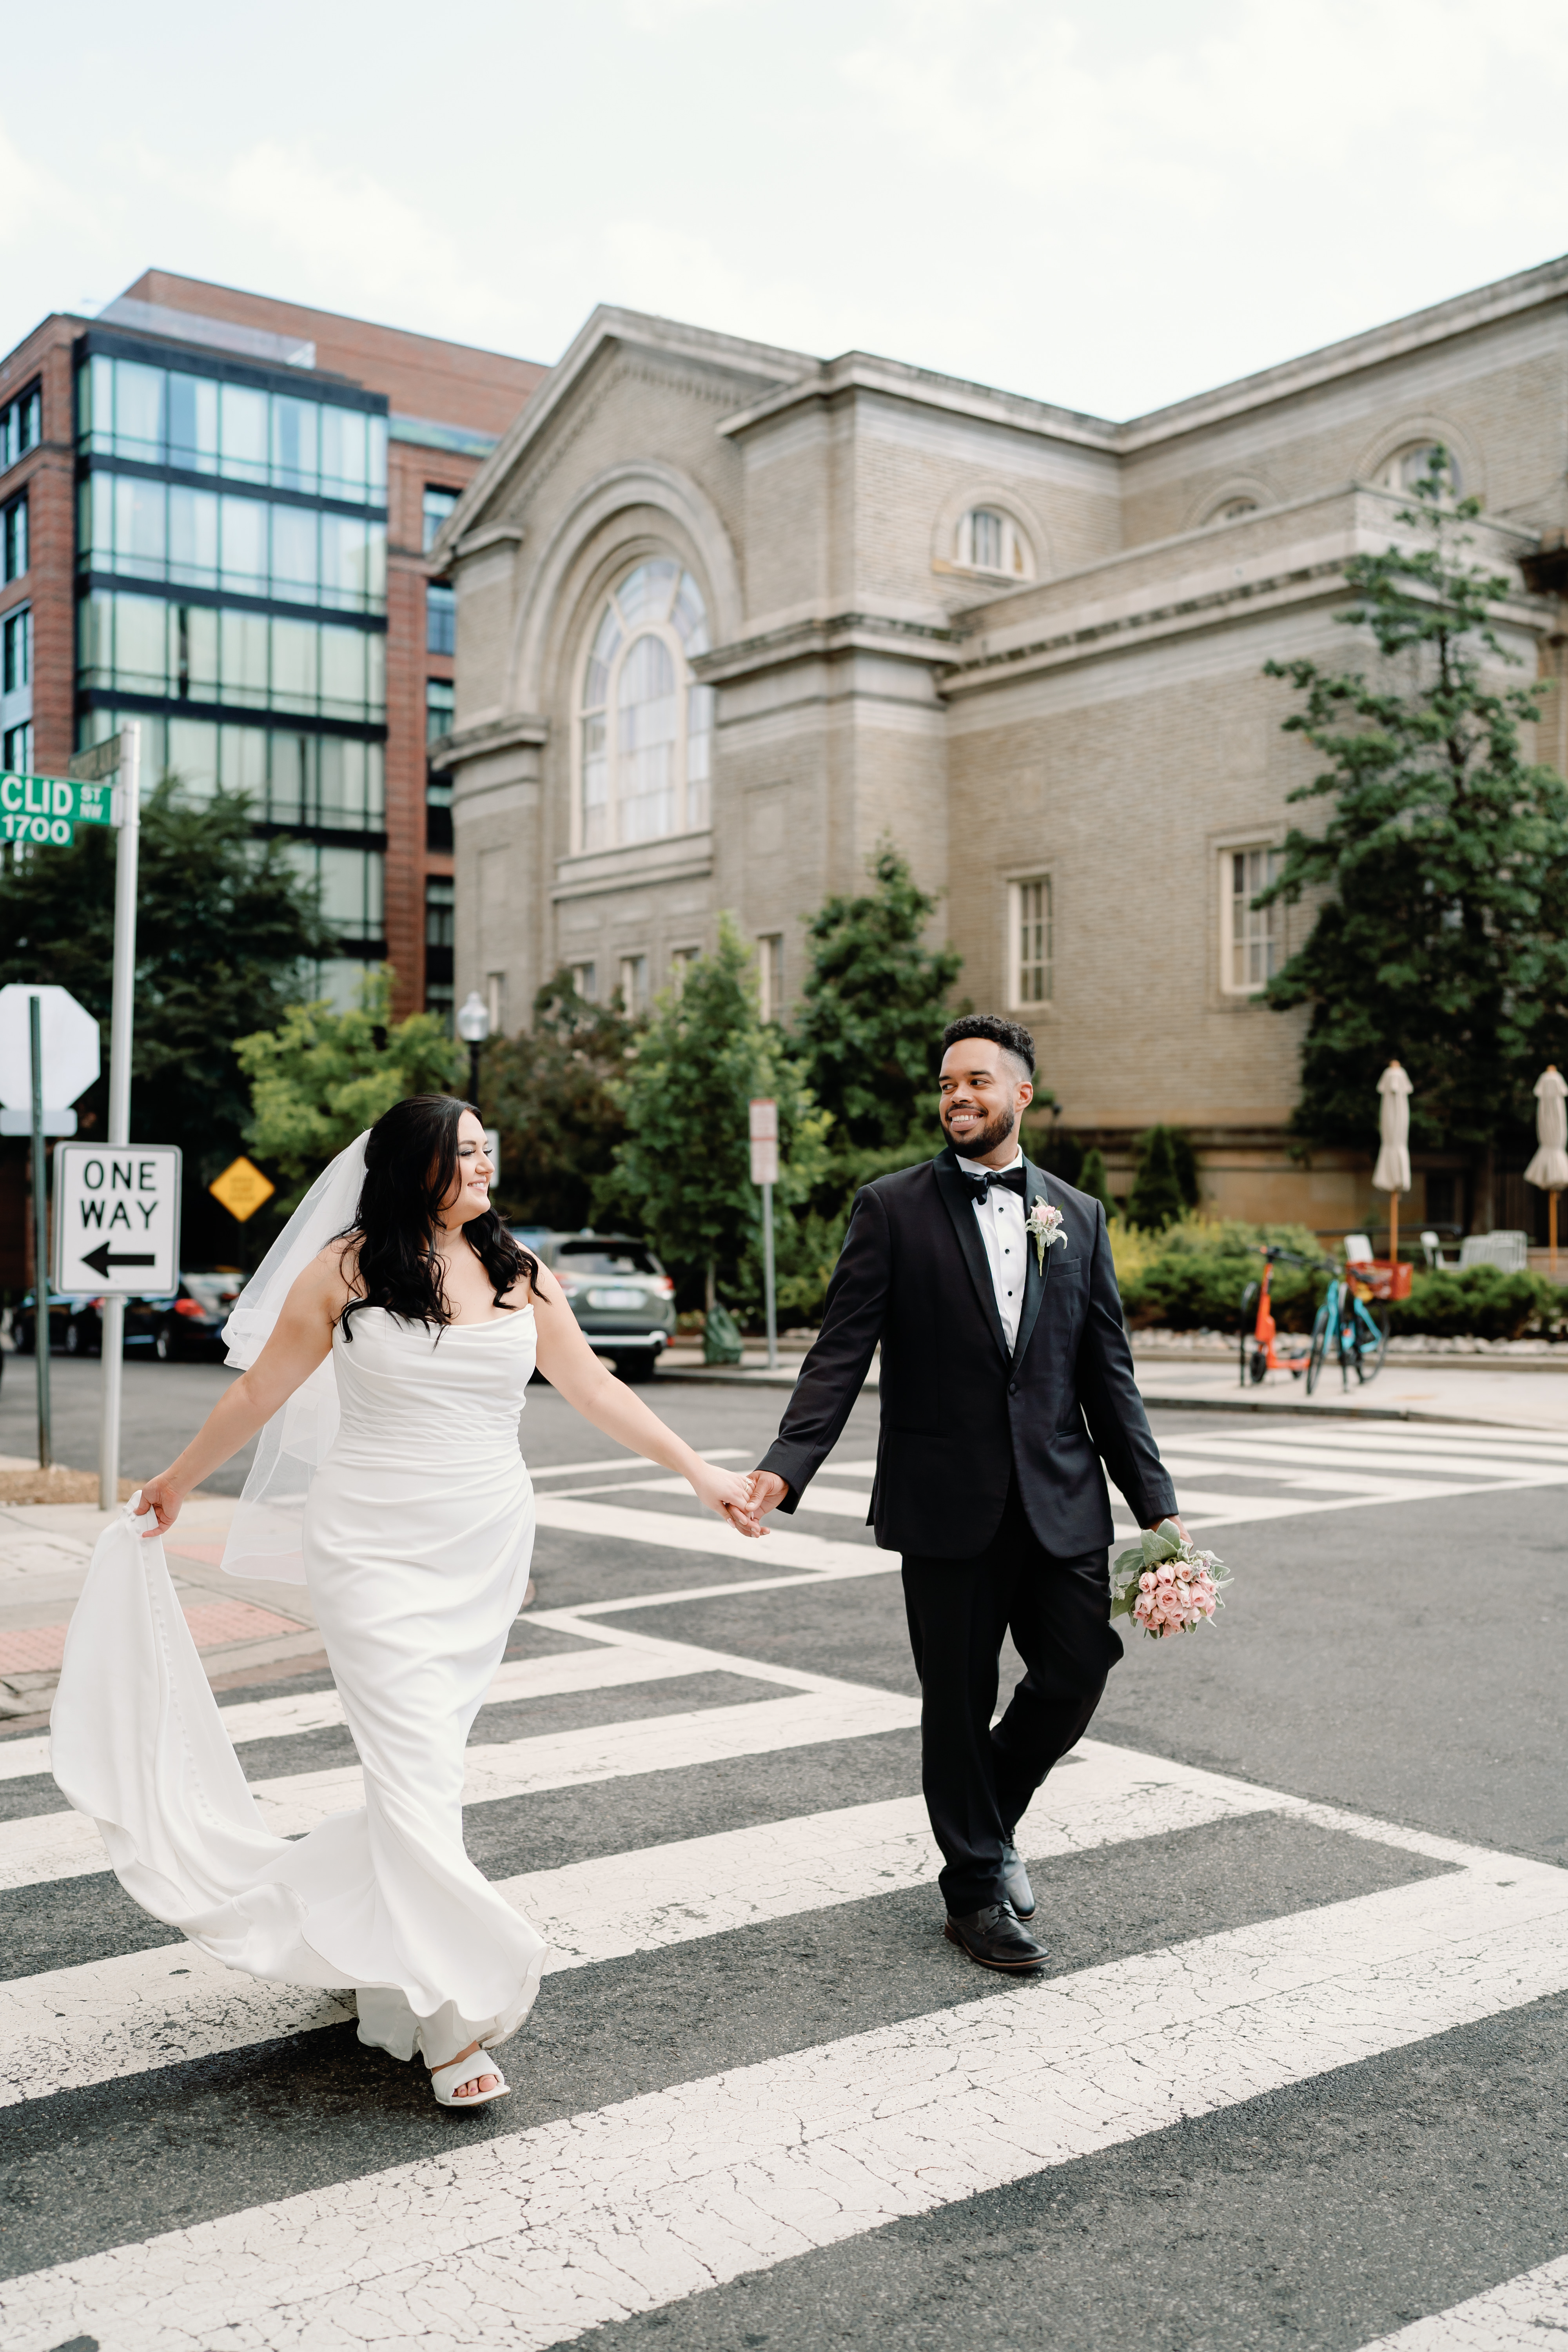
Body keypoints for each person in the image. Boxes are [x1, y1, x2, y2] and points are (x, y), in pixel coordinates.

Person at [51, 1097, 759, 2107]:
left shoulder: (518, 1274)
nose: (484, 1170)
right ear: (411, 1169)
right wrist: (174, 1478)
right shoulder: (347, 1269)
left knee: (424, 1774)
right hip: (369, 1546)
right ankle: (450, 2023)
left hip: (480, 1548)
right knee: (415, 1764)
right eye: (464, 1155)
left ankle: (345, 1923)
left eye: (484, 1153)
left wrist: (705, 1475)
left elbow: (596, 1388)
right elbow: (260, 1391)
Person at [736, 1016, 1182, 1972]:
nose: (957, 1098)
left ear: (1021, 1094)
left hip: (1061, 1498)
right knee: (956, 1696)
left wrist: (1158, 1508)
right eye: (945, 1085)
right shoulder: (890, 1209)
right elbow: (840, 1352)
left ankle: (989, 1818)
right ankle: (973, 1890)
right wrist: (786, 1463)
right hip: (944, 1500)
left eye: (977, 1081)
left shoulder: (1076, 1214)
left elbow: (1108, 1374)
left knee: (1077, 1669)